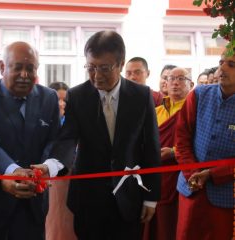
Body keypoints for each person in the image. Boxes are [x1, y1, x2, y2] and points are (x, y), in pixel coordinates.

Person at [50, 30, 161, 239]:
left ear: (120, 64)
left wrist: (151, 197)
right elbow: (67, 141)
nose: (96, 75)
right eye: (90, 67)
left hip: (129, 197)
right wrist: (52, 166)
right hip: (87, 199)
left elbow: (151, 148)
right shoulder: (78, 96)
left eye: (104, 68)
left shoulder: (141, 96)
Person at [0, 41, 64, 240]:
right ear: (2, 67)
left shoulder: (49, 98)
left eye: (30, 68)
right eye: (18, 67)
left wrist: (45, 167)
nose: (25, 75)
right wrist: (13, 171)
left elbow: (55, 140)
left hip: (34, 205)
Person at [175, 52, 235, 240]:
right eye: (221, 62)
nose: (222, 69)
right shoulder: (200, 94)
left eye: (231, 64)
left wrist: (212, 174)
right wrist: (191, 171)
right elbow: (182, 138)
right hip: (190, 189)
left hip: (225, 197)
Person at [143, 67, 192, 240]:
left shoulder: (193, 110)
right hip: (154, 174)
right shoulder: (155, 111)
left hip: (181, 175)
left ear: (191, 84)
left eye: (181, 78)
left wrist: (173, 152)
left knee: (172, 224)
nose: (175, 82)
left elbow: (198, 144)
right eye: (171, 78)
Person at [45, 81, 77, 240]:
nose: (62, 103)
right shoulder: (43, 124)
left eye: (65, 100)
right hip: (48, 181)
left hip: (71, 181)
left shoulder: (74, 124)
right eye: (58, 99)